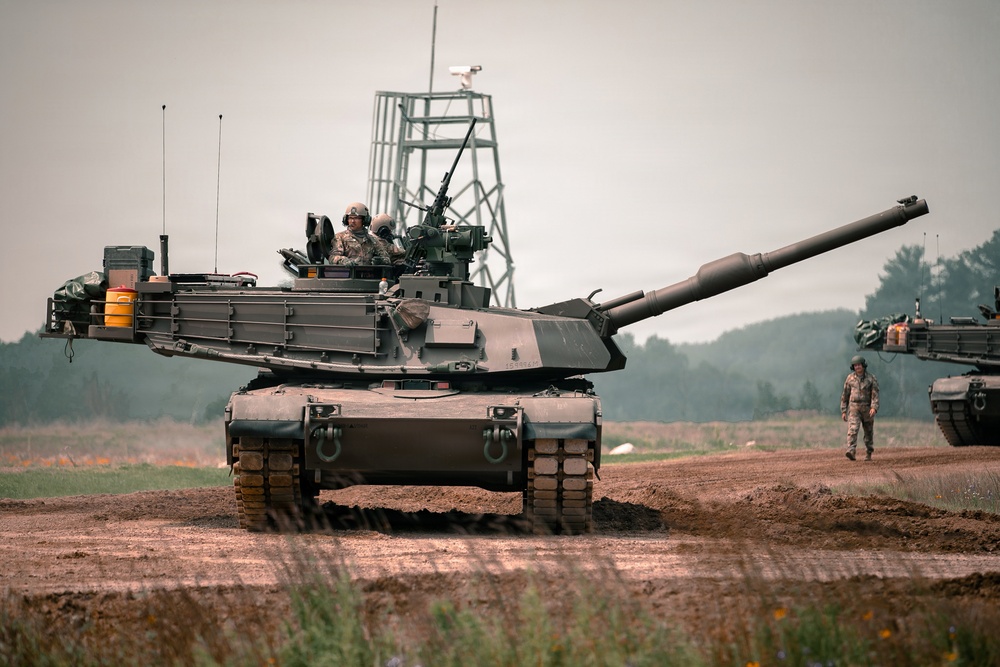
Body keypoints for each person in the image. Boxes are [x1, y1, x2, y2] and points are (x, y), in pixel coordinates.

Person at [840, 355, 879, 461]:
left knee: (868, 432)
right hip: (854, 408)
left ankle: (869, 451)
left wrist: (874, 407)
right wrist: (844, 410)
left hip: (867, 408)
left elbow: (875, 395)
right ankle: (851, 450)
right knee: (853, 429)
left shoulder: (871, 379)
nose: (857, 367)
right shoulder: (850, 379)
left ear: (863, 365)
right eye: (855, 365)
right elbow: (845, 395)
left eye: (859, 365)